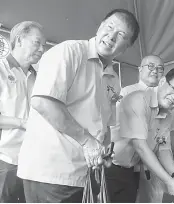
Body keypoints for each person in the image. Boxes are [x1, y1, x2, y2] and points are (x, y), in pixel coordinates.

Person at [16, 9, 140, 203]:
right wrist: (87, 141)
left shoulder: (113, 78)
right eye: (110, 27)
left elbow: (105, 126)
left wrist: (104, 149)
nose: (111, 36)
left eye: (121, 35)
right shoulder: (70, 51)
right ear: (100, 27)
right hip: (52, 173)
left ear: (127, 47)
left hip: (85, 175)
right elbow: (43, 101)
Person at [108, 67, 174, 202]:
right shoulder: (138, 99)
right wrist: (168, 181)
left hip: (130, 171)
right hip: (109, 168)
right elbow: (140, 146)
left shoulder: (167, 115)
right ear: (163, 81)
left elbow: (163, 149)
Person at [0, 21, 46, 202]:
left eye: (44, 44)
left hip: (36, 161)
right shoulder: (2, 71)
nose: (42, 49)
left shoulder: (39, 78)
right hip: (6, 161)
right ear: (18, 40)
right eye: (37, 43)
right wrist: (22, 123)